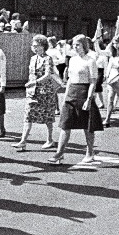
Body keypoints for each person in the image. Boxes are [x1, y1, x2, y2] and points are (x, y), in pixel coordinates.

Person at [49, 34, 104, 164]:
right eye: (73, 44)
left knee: (87, 126)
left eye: (77, 44)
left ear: (84, 45)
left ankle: (90, 152)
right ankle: (59, 153)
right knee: (65, 124)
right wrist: (66, 96)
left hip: (84, 93)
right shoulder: (72, 60)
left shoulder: (90, 61)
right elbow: (69, 80)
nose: (75, 47)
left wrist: (89, 99)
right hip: (72, 93)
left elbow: (93, 82)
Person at [14, 34, 57, 151]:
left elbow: (48, 75)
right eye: (33, 46)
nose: (34, 48)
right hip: (32, 92)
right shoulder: (33, 58)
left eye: (37, 46)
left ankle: (50, 139)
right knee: (28, 115)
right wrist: (30, 85)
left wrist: (35, 82)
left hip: (45, 92)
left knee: (47, 117)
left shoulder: (48, 59)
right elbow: (30, 75)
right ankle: (23, 141)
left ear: (43, 46)